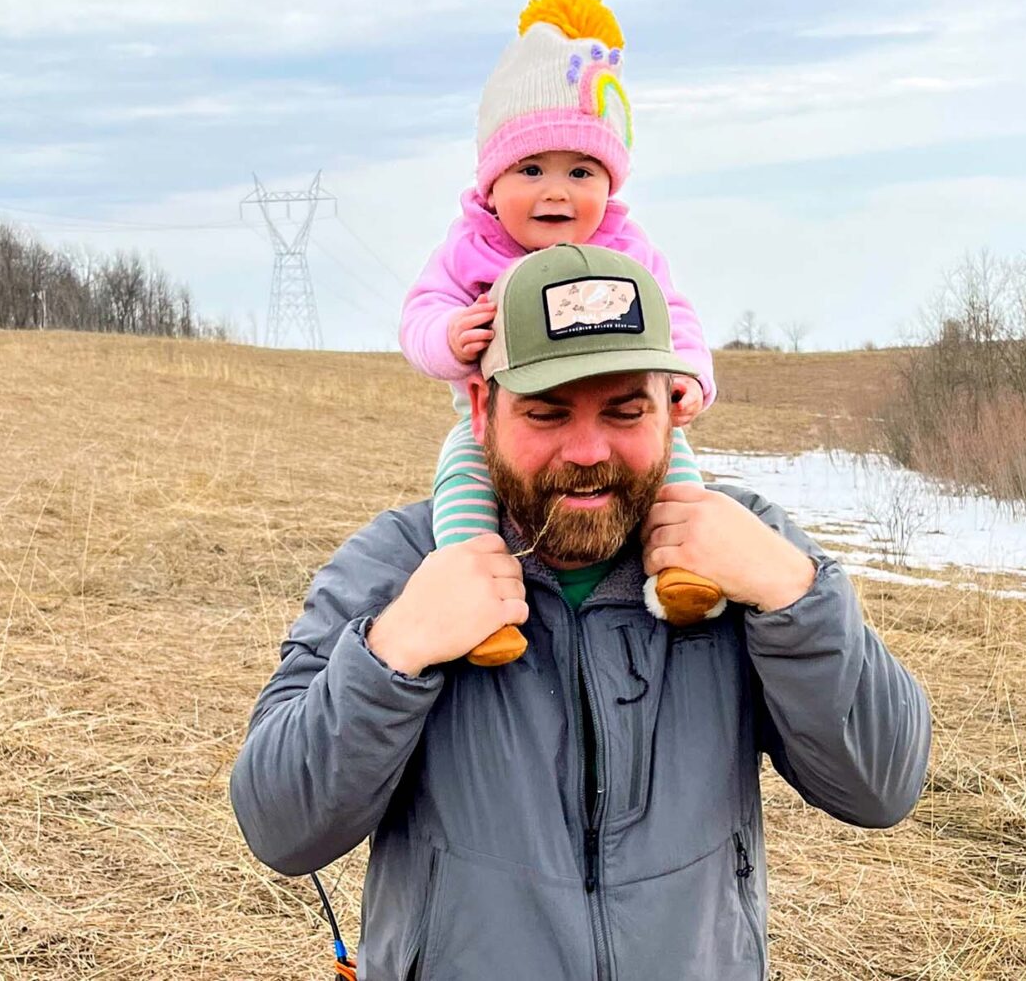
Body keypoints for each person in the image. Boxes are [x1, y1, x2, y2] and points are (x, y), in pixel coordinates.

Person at [231, 244, 932, 980]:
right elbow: (281, 825)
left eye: (626, 409)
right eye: (547, 412)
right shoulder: (397, 565)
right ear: (481, 409)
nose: (589, 449)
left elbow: (882, 783)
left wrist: (795, 592)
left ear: (673, 409)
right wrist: (396, 649)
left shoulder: (745, 556)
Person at [399, 0, 724, 666]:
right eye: (531, 169)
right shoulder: (472, 248)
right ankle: (476, 600)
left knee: (678, 469)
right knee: (459, 485)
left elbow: (676, 314)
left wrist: (688, 376)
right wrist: (450, 336)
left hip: (629, 412)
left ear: (611, 182)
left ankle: (686, 567)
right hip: (495, 429)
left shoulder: (627, 249)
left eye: (581, 170)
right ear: (491, 183)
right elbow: (419, 315)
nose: (556, 190)